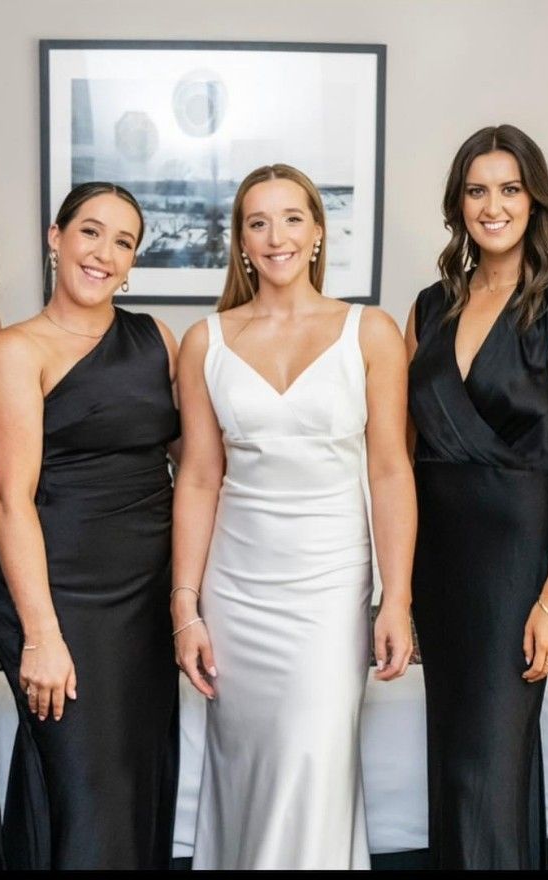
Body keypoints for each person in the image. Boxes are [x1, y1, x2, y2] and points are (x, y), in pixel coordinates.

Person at [172, 163, 417, 869]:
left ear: (316, 233)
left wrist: (395, 596)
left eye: (290, 219)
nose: (275, 236)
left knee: (312, 760)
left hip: (330, 586)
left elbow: (391, 470)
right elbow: (197, 477)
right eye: (257, 222)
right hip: (236, 590)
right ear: (241, 242)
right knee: (248, 770)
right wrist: (184, 607)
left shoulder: (368, 332)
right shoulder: (205, 342)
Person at [405, 125, 548, 869]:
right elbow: (398, 455)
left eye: (510, 188)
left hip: (517, 557)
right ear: (458, 204)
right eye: (478, 189)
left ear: (535, 200)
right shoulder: (428, 308)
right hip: (439, 563)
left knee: (488, 764)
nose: (494, 206)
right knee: (454, 760)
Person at [0, 181, 180, 869]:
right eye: (90, 231)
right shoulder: (17, 350)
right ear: (55, 236)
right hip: (62, 594)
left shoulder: (157, 338)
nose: (103, 253)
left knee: (134, 782)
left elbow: (197, 470)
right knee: (84, 787)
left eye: (123, 241)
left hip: (147, 598)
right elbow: (11, 500)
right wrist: (40, 634)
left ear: (132, 263)